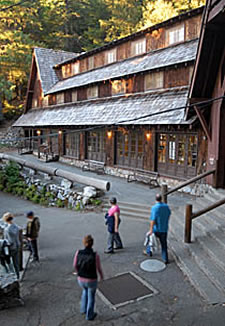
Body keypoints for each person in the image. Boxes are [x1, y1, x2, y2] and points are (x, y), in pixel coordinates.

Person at [73, 235, 104, 321]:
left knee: (84, 291)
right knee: (91, 296)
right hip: (91, 279)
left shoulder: (78, 252)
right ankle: (89, 315)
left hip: (81, 278)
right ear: (92, 244)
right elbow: (98, 268)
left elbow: (75, 265)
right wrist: (101, 276)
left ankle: (83, 309)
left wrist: (78, 272)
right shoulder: (95, 255)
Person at [149, 194, 171, 264]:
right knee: (164, 244)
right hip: (164, 228)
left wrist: (151, 229)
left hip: (157, 229)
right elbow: (169, 214)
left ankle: (149, 251)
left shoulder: (154, 208)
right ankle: (165, 258)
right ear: (161, 199)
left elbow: (153, 220)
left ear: (155, 199)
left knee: (150, 239)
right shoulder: (166, 206)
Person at [3, 212, 21, 279]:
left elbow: (9, 241)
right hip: (17, 245)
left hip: (11, 247)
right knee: (16, 262)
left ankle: (13, 276)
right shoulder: (15, 226)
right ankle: (18, 276)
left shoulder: (7, 229)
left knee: (9, 263)